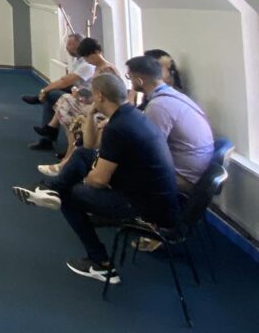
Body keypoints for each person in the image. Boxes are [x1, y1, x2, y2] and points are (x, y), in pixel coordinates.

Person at [12, 72, 180, 284]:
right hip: (155, 195)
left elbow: (99, 180)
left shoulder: (118, 128)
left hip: (145, 206)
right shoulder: (130, 115)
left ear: (99, 95)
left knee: (69, 197)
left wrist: (89, 177)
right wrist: (91, 113)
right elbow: (89, 145)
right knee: (83, 154)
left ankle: (100, 263)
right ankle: (49, 188)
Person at [130, 55, 214, 191]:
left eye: (130, 77)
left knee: (121, 170)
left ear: (139, 80)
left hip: (184, 177)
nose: (130, 83)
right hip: (197, 169)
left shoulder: (158, 105)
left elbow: (150, 150)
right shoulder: (174, 95)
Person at [33, 37, 116, 150]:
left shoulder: (107, 70)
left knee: (64, 103)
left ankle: (58, 136)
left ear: (97, 52)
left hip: (101, 110)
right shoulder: (98, 68)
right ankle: (59, 137)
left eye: (88, 57)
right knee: (64, 101)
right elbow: (96, 94)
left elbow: (107, 97)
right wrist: (84, 97)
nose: (87, 61)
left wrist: (87, 100)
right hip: (94, 104)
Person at [23, 33, 94, 151]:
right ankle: (47, 136)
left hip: (85, 99)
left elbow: (65, 81)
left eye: (70, 44)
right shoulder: (78, 61)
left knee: (51, 95)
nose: (67, 47)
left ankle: (48, 135)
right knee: (51, 94)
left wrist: (45, 90)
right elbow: (66, 81)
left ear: (79, 45)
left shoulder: (87, 65)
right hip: (77, 92)